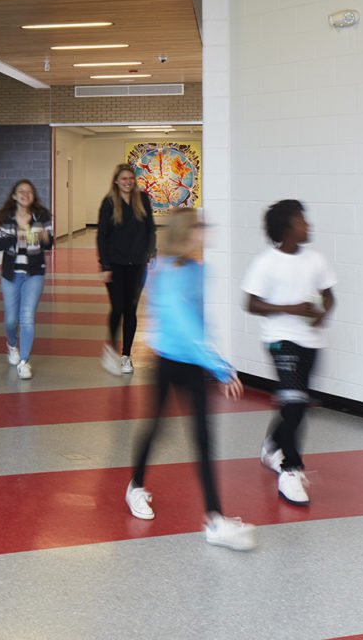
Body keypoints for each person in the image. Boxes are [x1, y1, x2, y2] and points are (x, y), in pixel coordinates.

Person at [123, 207, 256, 551]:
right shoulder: (165, 272)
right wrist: (219, 366)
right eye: (199, 226)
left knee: (203, 438)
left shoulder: (199, 269)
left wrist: (209, 360)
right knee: (155, 427)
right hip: (167, 360)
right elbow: (182, 323)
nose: (205, 230)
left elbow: (200, 321)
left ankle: (215, 518)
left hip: (192, 363)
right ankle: (135, 485)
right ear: (186, 230)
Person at [242, 198, 336, 506]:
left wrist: (323, 312)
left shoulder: (316, 260)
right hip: (280, 339)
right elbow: (251, 303)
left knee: (294, 401)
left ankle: (272, 444)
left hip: (311, 341)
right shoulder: (266, 262)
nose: (307, 225)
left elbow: (329, 296)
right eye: (301, 221)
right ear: (286, 228)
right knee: (294, 403)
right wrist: (290, 308)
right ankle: (290, 471)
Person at [0, 179, 53, 381]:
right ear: (14, 196)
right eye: (21, 191)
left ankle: (24, 361)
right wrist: (16, 237)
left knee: (27, 317)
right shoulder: (5, 217)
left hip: (34, 273)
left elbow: (49, 243)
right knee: (11, 320)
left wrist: (43, 236)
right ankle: (11, 344)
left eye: (29, 191)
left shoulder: (41, 216)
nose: (25, 194)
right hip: (11, 274)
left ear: (33, 196)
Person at [97, 163, 156, 375]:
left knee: (131, 310)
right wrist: (104, 265)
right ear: (116, 181)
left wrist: (151, 253)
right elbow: (101, 235)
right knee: (118, 307)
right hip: (115, 264)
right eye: (123, 179)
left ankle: (126, 355)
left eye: (130, 178)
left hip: (138, 264)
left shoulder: (144, 199)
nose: (128, 182)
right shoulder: (109, 202)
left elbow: (151, 228)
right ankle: (110, 349)